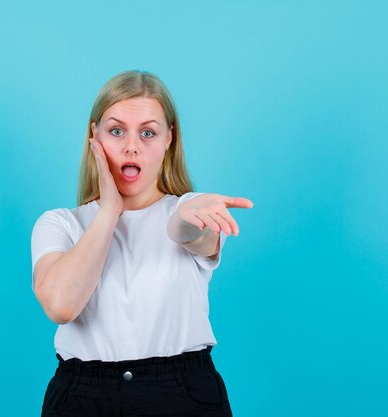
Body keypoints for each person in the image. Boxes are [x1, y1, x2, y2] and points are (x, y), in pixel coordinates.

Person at [30, 70, 253, 417]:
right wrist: (109, 212)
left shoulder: (190, 209)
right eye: (116, 131)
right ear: (94, 137)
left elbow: (189, 232)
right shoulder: (60, 224)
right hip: (84, 397)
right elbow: (61, 306)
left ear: (169, 139)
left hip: (181, 394)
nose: (131, 146)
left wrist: (188, 216)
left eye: (148, 132)